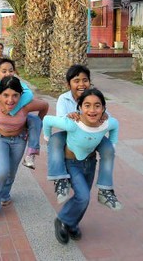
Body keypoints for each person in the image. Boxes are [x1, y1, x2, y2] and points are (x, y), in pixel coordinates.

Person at [43, 88, 119, 244]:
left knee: (83, 198)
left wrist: (111, 145)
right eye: (87, 105)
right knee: (83, 197)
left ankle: (71, 223)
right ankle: (62, 220)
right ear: (79, 107)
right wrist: (48, 138)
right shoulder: (73, 123)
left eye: (97, 106)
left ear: (104, 109)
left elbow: (115, 125)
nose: (92, 110)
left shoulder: (106, 123)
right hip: (71, 164)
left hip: (90, 163)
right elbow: (47, 120)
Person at [47, 64, 122, 210]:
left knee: (108, 149)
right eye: (76, 80)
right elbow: (60, 122)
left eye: (85, 80)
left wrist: (105, 116)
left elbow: (108, 118)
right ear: (69, 84)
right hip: (71, 133)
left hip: (92, 133)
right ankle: (60, 178)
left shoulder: (94, 96)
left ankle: (105, 189)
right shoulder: (64, 99)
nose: (81, 84)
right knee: (55, 140)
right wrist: (69, 117)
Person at [0, 76, 48, 218]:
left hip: (19, 140)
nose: (10, 100)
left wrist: (36, 124)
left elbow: (44, 106)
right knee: (2, 172)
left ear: (21, 95)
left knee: (11, 172)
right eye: (5, 95)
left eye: (15, 95)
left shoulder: (26, 106)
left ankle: (5, 194)